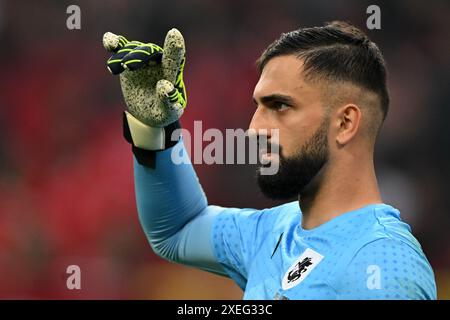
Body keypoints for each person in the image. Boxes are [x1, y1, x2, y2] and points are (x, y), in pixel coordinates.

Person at [102, 21, 436, 299]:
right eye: (258, 106)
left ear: (345, 123)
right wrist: (154, 129)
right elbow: (178, 229)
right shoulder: (274, 232)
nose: (253, 129)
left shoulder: (385, 267)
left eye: (279, 106)